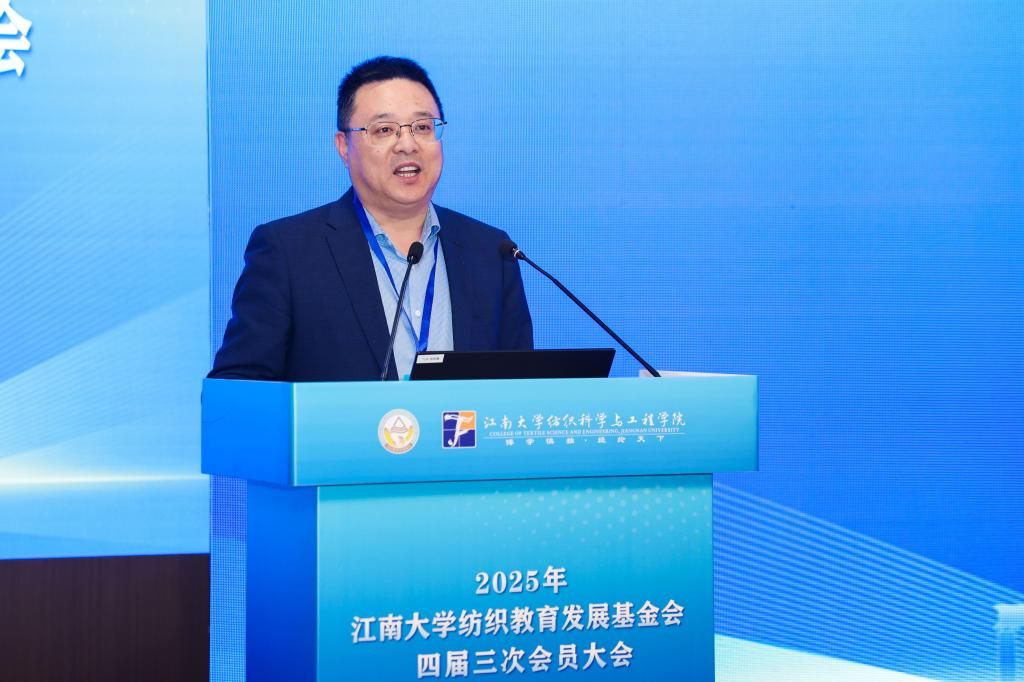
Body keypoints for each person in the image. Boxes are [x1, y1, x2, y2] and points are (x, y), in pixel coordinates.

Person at [209, 56, 533, 381]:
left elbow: (522, 387)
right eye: (384, 130)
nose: (407, 144)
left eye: (422, 127)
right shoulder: (288, 252)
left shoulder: (491, 252)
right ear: (344, 147)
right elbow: (237, 387)